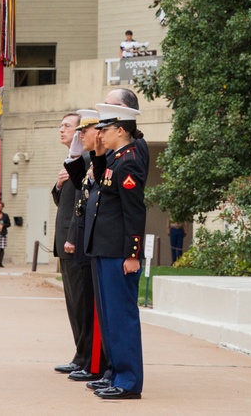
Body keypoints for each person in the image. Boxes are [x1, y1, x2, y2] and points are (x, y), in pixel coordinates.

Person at [85, 103, 147, 400]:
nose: (100, 134)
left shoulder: (130, 161)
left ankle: (128, 381)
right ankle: (115, 373)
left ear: (121, 130)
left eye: (105, 129)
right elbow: (101, 184)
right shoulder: (115, 158)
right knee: (109, 317)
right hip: (105, 248)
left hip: (119, 252)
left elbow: (134, 212)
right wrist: (98, 152)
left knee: (121, 317)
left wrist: (133, 254)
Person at [62, 109, 107, 383]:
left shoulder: (105, 160)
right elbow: (79, 194)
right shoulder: (89, 162)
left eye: (82, 131)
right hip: (88, 243)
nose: (80, 136)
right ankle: (90, 361)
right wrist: (75, 156)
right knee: (80, 307)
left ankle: (100, 365)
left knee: (93, 309)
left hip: (98, 244)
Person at [50, 112, 85, 376]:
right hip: (65, 241)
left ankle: (84, 358)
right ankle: (80, 355)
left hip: (75, 243)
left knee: (81, 303)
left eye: (67, 126)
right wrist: (59, 184)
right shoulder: (70, 161)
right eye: (60, 125)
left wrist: (72, 237)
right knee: (72, 304)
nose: (62, 130)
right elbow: (62, 201)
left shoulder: (83, 161)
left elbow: (80, 207)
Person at [0, 201, 11, 268]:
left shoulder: (5, 216)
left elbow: (9, 224)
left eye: (0, 206)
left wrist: (3, 225)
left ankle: (0, 262)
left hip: (2, 233)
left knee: (2, 248)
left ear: (2, 207)